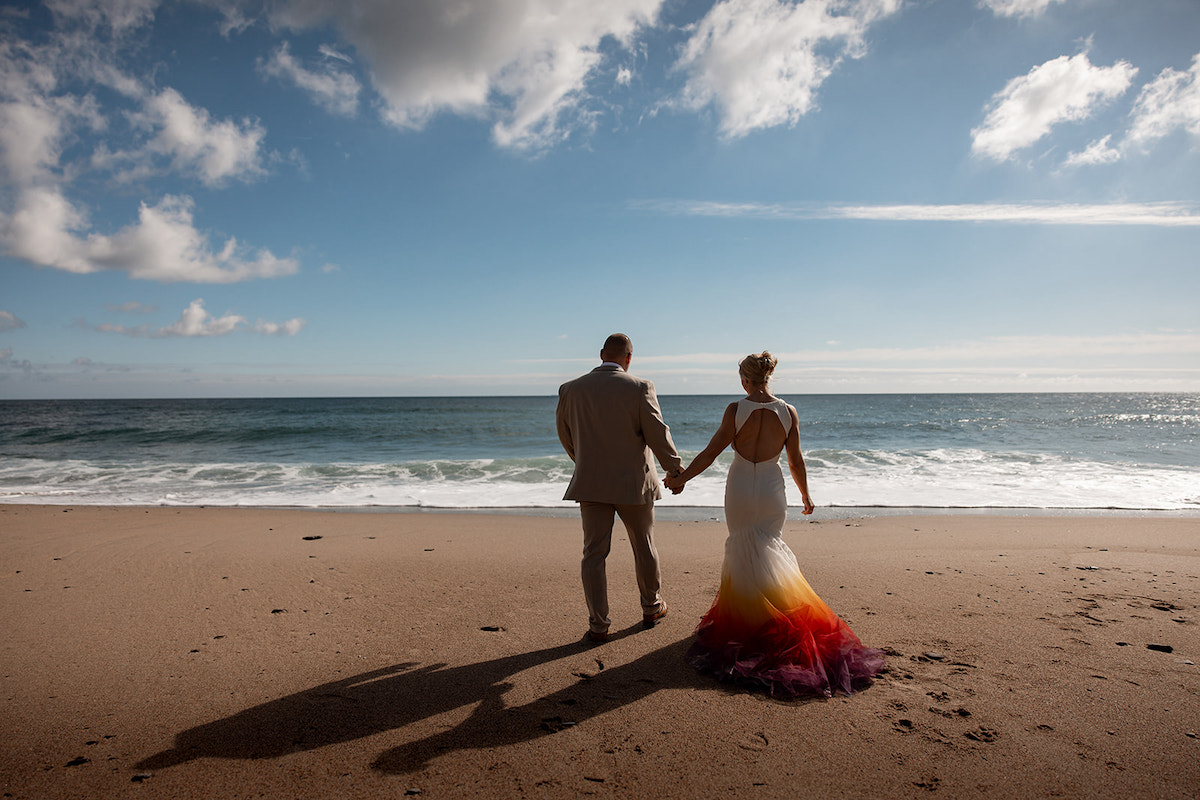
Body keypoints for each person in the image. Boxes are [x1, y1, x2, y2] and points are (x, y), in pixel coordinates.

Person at [664, 352, 884, 697]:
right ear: (769, 378)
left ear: (744, 380)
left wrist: (682, 480)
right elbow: (795, 460)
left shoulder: (735, 410)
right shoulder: (788, 412)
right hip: (771, 487)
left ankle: (750, 625)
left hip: (739, 486)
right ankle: (774, 617)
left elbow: (711, 452)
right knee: (768, 546)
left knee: (741, 545)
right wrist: (806, 496)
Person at [556, 333, 684, 644]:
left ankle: (599, 625)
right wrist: (674, 468)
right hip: (634, 484)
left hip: (592, 483)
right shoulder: (640, 387)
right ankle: (652, 607)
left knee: (594, 554)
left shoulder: (570, 389)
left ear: (601, 354)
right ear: (629, 358)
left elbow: (565, 433)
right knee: (644, 545)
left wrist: (584, 461)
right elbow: (656, 431)